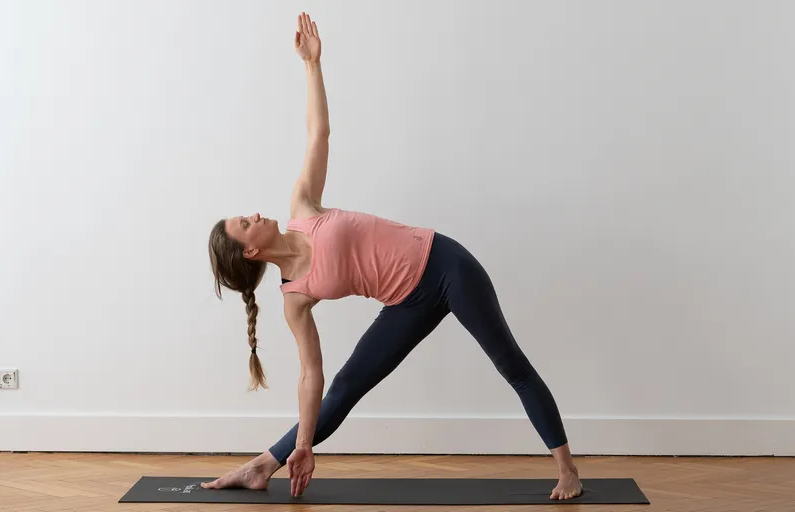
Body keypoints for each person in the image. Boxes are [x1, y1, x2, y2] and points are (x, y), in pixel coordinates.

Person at [201, 12, 583, 501]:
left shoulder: (303, 206)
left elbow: (319, 135)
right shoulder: (294, 297)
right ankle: (264, 464)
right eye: (245, 222)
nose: (254, 213)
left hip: (446, 266)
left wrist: (312, 67)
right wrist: (303, 443)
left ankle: (567, 470)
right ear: (251, 249)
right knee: (344, 386)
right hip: (408, 303)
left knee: (510, 364)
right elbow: (309, 375)